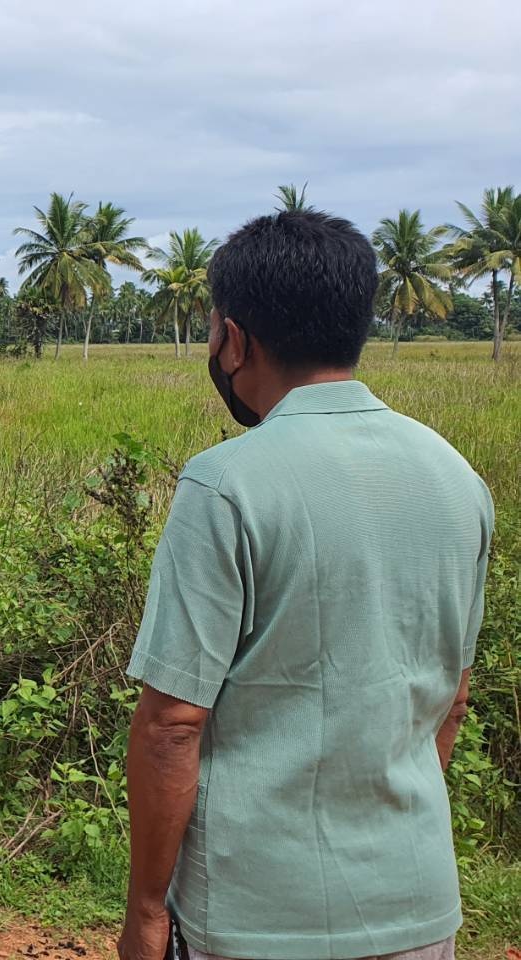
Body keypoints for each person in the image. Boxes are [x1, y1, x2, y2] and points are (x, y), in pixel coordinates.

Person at [119, 210, 493, 960]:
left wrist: (146, 911)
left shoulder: (225, 484)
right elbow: (452, 699)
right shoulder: (457, 478)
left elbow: (172, 725)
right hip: (417, 908)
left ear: (233, 338)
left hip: (255, 918)